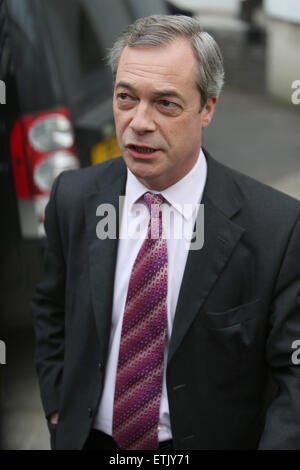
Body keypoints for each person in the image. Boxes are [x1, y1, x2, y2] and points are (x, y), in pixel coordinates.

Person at [32, 15, 300, 450]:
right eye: (126, 98)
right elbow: (51, 307)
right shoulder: (74, 197)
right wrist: (58, 409)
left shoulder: (277, 227)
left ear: (207, 108)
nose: (139, 121)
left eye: (166, 104)